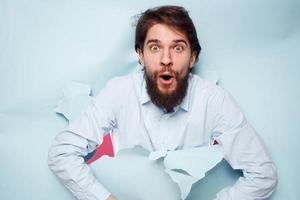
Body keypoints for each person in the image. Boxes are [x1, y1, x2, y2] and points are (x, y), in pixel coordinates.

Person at [48, 5, 277, 200]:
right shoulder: (119, 92)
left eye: (177, 48)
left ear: (193, 58)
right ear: (141, 55)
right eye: (155, 48)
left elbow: (262, 174)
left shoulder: (214, 100)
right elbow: (62, 154)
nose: (166, 60)